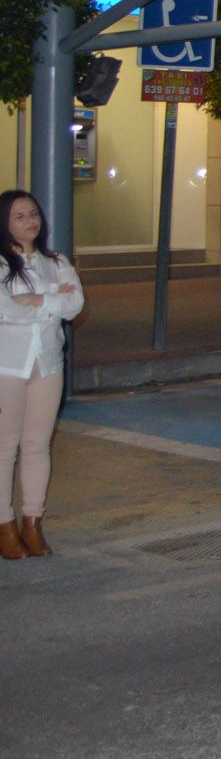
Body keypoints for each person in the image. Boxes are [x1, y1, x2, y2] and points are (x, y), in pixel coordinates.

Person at [0, 190, 84, 560]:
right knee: (5, 447)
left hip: (47, 364)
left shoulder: (55, 261)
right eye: (19, 216)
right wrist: (51, 300)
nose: (29, 221)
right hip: (8, 365)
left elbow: (75, 304)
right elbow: (5, 312)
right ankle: (4, 525)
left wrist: (36, 299)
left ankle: (32, 522)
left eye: (33, 213)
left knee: (37, 446)